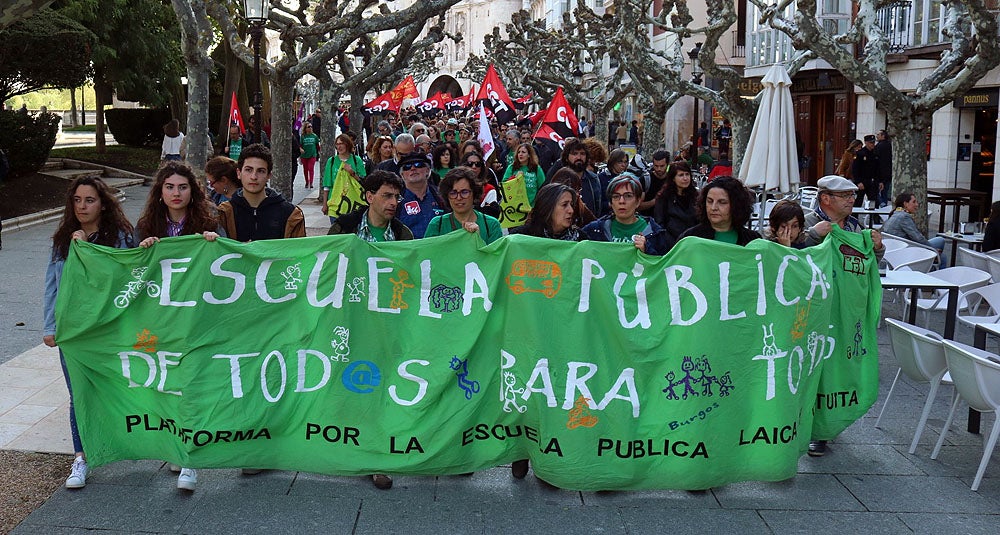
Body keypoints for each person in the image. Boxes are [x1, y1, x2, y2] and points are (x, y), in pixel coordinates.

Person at [44, 176, 135, 490]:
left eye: (90, 200)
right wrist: (49, 326)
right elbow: (52, 286)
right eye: (78, 200)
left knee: (121, 389)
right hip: (74, 332)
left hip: (108, 329)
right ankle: (81, 457)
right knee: (78, 395)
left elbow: (129, 278)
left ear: (103, 203)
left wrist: (88, 251)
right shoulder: (63, 239)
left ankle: (134, 444)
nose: (83, 206)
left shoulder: (121, 237)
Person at [802, 175, 884, 456]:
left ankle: (825, 426)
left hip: (846, 314)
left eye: (852, 195)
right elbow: (785, 251)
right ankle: (811, 428)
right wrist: (813, 237)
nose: (853, 200)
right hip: (812, 311)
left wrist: (878, 248)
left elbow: (867, 262)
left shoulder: (855, 227)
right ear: (826, 199)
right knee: (813, 368)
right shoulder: (806, 221)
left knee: (837, 369)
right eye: (846, 196)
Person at [217, 144, 305, 241]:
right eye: (248, 170)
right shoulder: (225, 213)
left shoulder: (290, 214)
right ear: (239, 173)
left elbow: (300, 250)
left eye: (261, 171)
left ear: (269, 175)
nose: (254, 177)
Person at [582, 173, 670, 254]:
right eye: (616, 196)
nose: (621, 201)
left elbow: (663, 266)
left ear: (638, 201)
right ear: (611, 202)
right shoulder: (594, 230)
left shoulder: (655, 232)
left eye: (628, 196)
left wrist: (647, 250)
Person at [329, 170, 413, 245]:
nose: (394, 203)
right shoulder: (343, 227)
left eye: (397, 197)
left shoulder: (403, 234)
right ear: (370, 197)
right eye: (387, 196)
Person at [425, 167, 503, 244]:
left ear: (474, 193)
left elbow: (497, 256)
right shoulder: (437, 225)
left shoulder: (491, 225)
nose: (459, 198)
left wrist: (478, 240)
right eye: (453, 193)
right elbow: (427, 255)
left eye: (464, 192)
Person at [677, 176, 761, 246]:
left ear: (737, 205)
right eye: (709, 201)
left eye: (722, 202)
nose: (713, 207)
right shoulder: (689, 238)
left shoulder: (753, 240)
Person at [881, 191, 947, 267]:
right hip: (908, 250)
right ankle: (931, 265)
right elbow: (918, 238)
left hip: (900, 248)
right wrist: (934, 250)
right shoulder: (904, 217)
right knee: (943, 257)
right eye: (914, 202)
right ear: (905, 204)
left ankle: (931, 263)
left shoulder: (896, 214)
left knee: (940, 240)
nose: (917, 205)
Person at [395, 151, 444, 238]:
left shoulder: (441, 196)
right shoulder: (395, 201)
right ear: (402, 174)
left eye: (418, 165)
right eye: (407, 167)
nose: (413, 168)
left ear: (428, 170)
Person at [321, 134, 367, 223]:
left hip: (353, 203)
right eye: (337, 144)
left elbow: (363, 181)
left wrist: (352, 173)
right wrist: (325, 204)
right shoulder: (332, 161)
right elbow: (327, 185)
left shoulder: (356, 160)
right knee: (336, 232)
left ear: (347, 144)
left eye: (341, 143)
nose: (339, 146)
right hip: (335, 204)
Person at [653, 161, 699, 246]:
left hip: (692, 243)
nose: (685, 178)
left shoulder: (696, 196)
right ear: (673, 178)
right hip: (671, 243)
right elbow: (659, 222)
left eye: (687, 174)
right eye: (681, 175)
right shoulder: (664, 197)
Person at [461, 151, 501, 219]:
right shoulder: (456, 186)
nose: (474, 167)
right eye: (470, 164)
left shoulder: (489, 189)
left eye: (477, 164)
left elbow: (492, 215)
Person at [850, 135, 879, 207]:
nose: (872, 144)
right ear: (866, 143)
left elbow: (878, 169)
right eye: (870, 143)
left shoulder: (875, 153)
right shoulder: (860, 154)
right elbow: (855, 169)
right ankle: (854, 217)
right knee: (858, 201)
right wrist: (858, 181)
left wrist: (880, 181)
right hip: (862, 181)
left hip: (872, 181)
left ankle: (873, 217)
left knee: (874, 202)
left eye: (873, 142)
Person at [597, 149, 630, 214]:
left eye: (625, 162)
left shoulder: (626, 177)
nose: (623, 165)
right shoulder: (601, 177)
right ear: (613, 162)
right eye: (620, 162)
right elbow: (597, 202)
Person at [299, 122, 320, 189]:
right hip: (304, 155)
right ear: (305, 128)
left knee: (311, 168)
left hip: (312, 155)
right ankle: (306, 182)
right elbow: (300, 145)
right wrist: (301, 150)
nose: (310, 128)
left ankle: (311, 182)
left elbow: (317, 145)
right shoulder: (302, 137)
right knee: (305, 169)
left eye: (311, 126)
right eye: (308, 127)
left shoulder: (314, 136)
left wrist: (319, 152)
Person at [875, 129, 892, 207]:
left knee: (875, 191)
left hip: (880, 173)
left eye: (878, 134)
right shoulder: (889, 145)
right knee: (884, 192)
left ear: (883, 136)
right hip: (888, 173)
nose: (877, 136)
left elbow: (877, 161)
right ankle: (883, 208)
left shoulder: (879, 146)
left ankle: (882, 204)